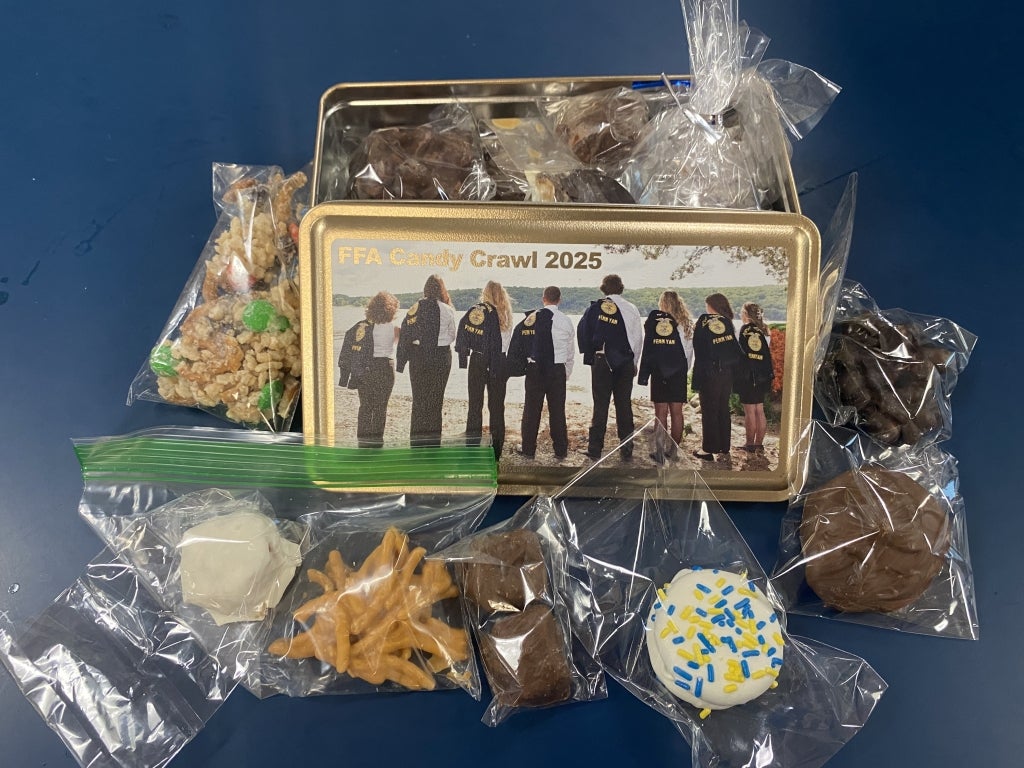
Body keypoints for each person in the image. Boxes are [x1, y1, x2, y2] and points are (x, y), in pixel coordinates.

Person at [577, 274, 642, 460]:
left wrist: (590, 355)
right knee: (624, 405)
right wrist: (635, 362)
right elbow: (638, 339)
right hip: (625, 362)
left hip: (602, 360)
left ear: (603, 288)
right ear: (621, 288)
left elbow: (583, 332)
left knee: (600, 406)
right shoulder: (631, 308)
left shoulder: (595, 308)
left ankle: (595, 449)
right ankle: (627, 449)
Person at [508, 286, 575, 459]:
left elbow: (518, 344)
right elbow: (570, 352)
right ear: (559, 299)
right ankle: (561, 450)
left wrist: (520, 367)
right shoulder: (566, 321)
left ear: (543, 298)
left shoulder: (531, 318)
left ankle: (528, 449)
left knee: (531, 410)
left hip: (535, 369)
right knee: (557, 411)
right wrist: (565, 373)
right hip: (557, 369)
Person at [396, 274, 457, 447]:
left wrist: (401, 361)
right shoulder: (447, 310)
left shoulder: (415, 307)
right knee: (436, 401)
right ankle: (433, 444)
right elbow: (452, 336)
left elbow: (405, 333)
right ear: (442, 290)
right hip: (441, 357)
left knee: (419, 400)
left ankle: (416, 444)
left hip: (418, 356)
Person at [455, 280, 513, 460]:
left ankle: (472, 447)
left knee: (475, 404)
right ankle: (496, 449)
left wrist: (463, 355)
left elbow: (463, 332)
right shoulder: (507, 314)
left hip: (479, 359)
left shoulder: (478, 311)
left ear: (485, 293)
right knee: (497, 407)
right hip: (500, 361)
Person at [337, 291, 400, 448]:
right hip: (386, 368)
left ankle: (363, 443)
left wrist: (345, 376)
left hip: (365, 368)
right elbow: (402, 346)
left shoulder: (361, 327)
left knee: (365, 406)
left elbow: (347, 348)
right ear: (391, 310)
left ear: (371, 308)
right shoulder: (395, 329)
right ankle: (377, 443)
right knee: (380, 408)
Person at [638, 290, 694, 460]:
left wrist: (645, 373)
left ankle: (660, 451)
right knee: (677, 412)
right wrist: (684, 370)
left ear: (662, 303)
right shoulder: (686, 323)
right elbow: (688, 352)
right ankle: (674, 451)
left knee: (660, 412)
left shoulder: (655, 323)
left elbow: (649, 349)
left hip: (659, 371)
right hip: (678, 371)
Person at [690, 292, 744, 461]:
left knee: (709, 410)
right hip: (726, 372)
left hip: (710, 372)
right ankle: (723, 446)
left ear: (711, 306)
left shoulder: (704, 321)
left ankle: (708, 449)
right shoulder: (727, 322)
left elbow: (699, 348)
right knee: (722, 408)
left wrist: (698, 376)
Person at [735, 302, 775, 453]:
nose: (740, 315)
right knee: (759, 409)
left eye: (742, 312)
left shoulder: (745, 330)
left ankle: (749, 444)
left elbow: (741, 354)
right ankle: (759, 443)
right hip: (763, 376)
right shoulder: (765, 330)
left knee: (750, 411)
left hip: (749, 377)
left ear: (746, 314)